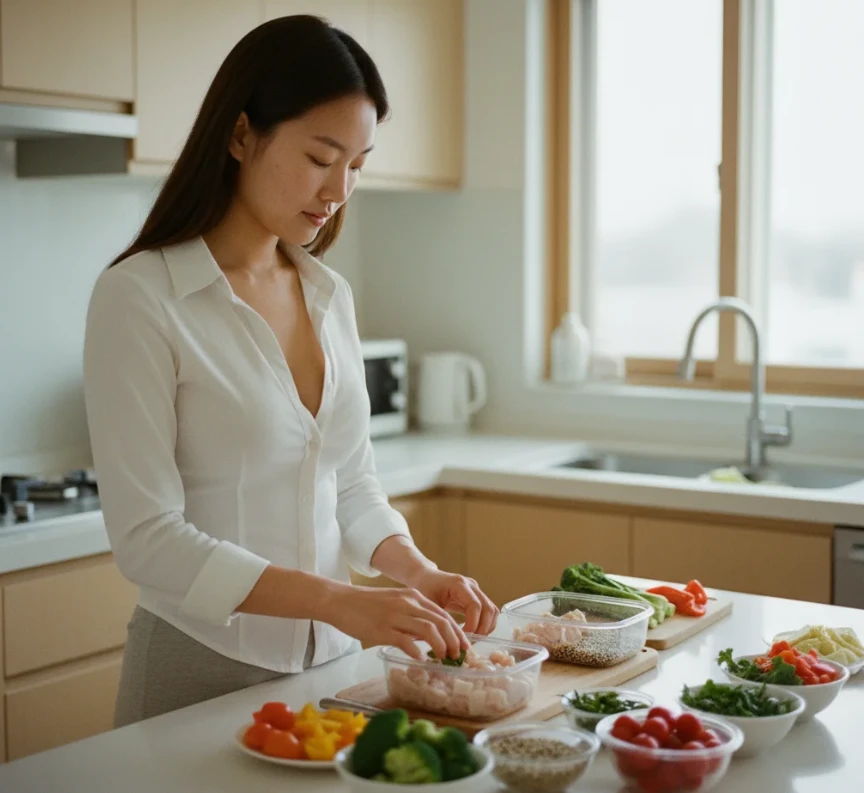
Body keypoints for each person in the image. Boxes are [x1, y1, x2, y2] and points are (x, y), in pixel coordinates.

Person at [82, 15, 498, 728]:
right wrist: (340, 598)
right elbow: (148, 538)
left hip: (332, 667)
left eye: (358, 165)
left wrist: (417, 572)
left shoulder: (328, 296)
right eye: (321, 156)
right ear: (242, 135)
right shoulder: (141, 296)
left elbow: (352, 482)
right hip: (197, 667)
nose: (338, 189)